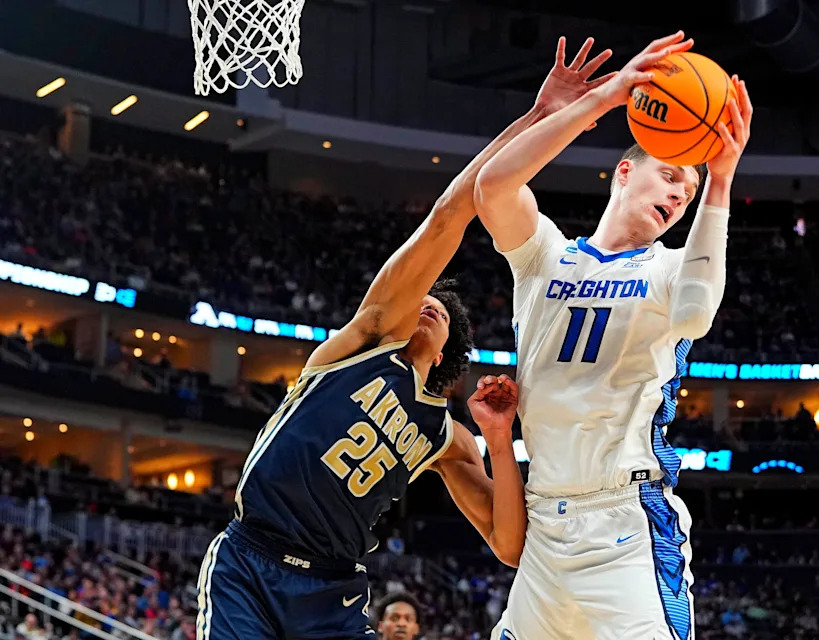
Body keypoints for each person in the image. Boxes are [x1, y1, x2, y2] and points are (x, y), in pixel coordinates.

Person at [195, 36, 614, 640]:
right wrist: (542, 116)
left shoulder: (443, 435)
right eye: (421, 298)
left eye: (439, 310)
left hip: (332, 589)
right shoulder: (361, 345)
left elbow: (509, 544)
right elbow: (453, 211)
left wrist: (498, 439)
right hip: (251, 560)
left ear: (448, 350)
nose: (424, 304)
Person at [474, 30, 753, 640]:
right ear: (624, 171)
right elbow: (491, 187)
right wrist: (597, 103)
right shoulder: (543, 257)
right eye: (671, 175)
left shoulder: (671, 268)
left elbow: (698, 314)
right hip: (546, 521)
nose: (680, 194)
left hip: (626, 524)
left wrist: (722, 181)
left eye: (689, 188)